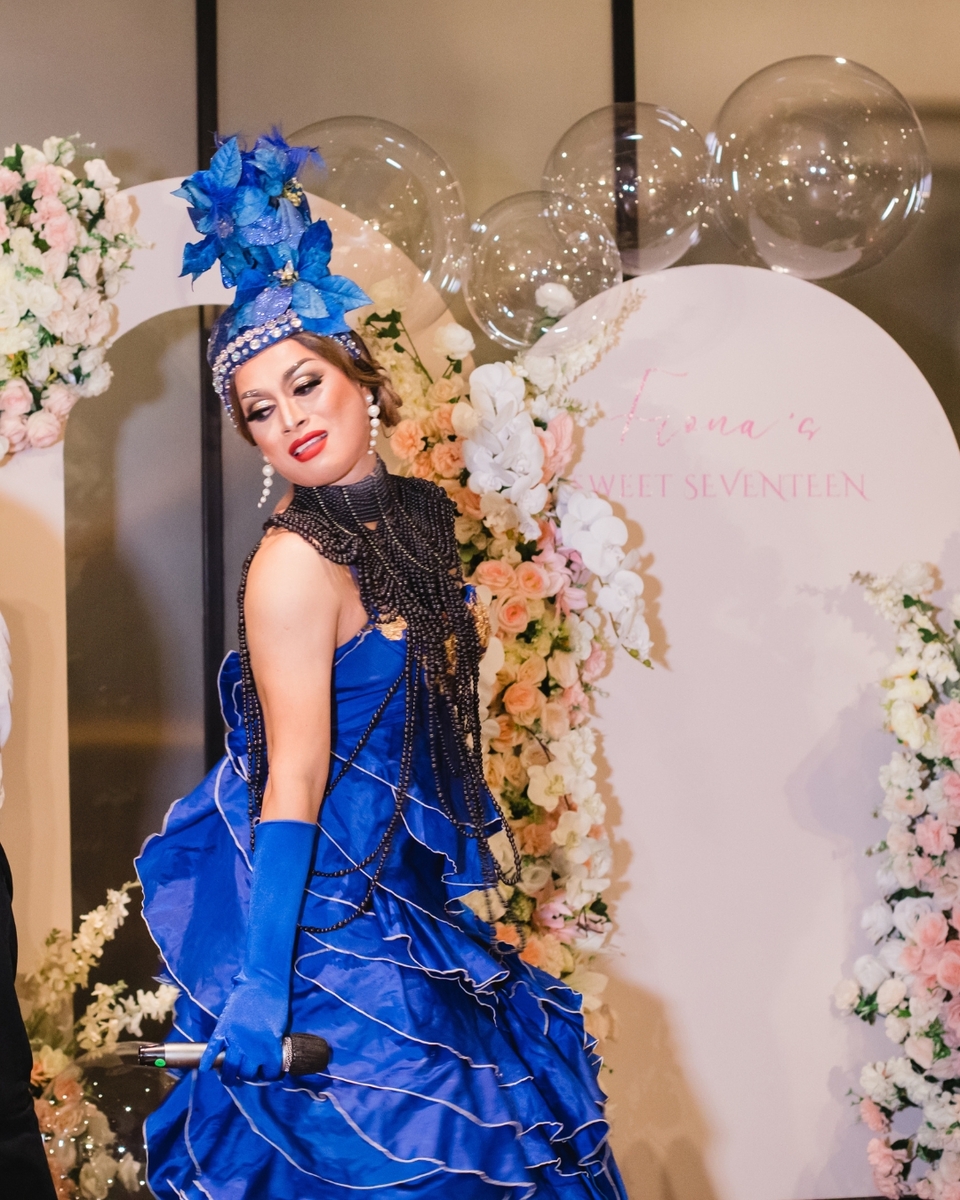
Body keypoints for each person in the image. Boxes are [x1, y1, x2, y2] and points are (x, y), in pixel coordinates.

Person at [136, 132, 626, 1199]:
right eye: (261, 410)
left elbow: (434, 739)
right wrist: (263, 984)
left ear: (359, 376)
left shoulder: (418, 519)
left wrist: (461, 900)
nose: (290, 421)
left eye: (305, 384)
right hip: (325, 932)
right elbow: (296, 773)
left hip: (412, 910)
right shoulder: (293, 566)